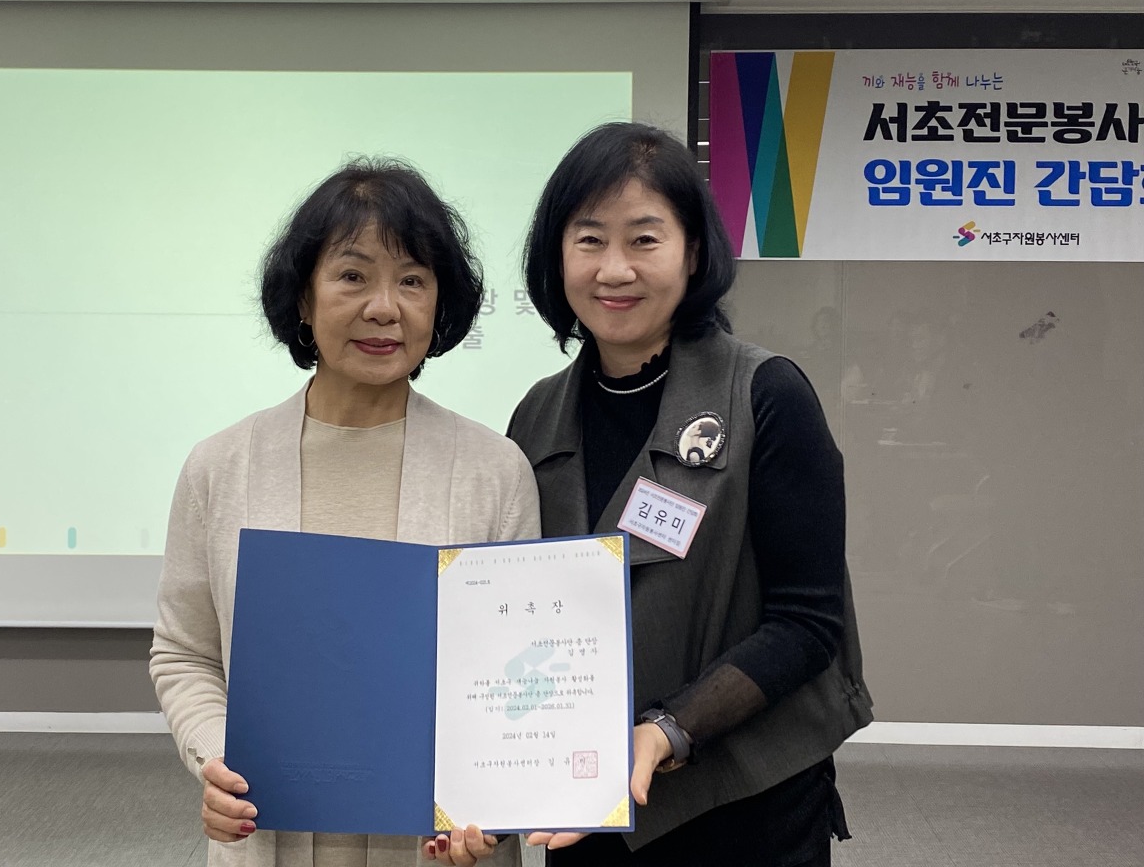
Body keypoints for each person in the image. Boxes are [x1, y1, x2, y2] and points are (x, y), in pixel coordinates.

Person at [150, 159, 540, 867]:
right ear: (303, 298)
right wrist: (216, 758)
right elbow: (185, 652)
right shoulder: (221, 466)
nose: (385, 308)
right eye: (353, 276)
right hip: (267, 837)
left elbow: (515, 674)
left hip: (438, 849)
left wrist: (492, 800)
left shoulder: (494, 471)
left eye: (413, 281)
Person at [507, 123, 873, 867]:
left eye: (644, 240)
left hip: (748, 803)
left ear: (694, 252)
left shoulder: (765, 394)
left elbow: (808, 622)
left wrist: (668, 729)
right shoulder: (536, 416)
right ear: (557, 255)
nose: (614, 269)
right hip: (592, 801)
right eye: (589, 240)